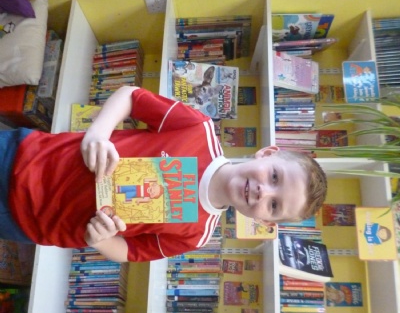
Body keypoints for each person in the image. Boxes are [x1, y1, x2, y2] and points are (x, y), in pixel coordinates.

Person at [1, 86, 327, 263]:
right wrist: (98, 133)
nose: (263, 192)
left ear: (265, 221)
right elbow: (130, 97)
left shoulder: (196, 234)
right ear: (267, 154)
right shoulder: (198, 128)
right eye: (274, 177)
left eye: (274, 205)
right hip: (25, 156)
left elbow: (128, 253)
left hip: (28, 222)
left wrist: (100, 239)